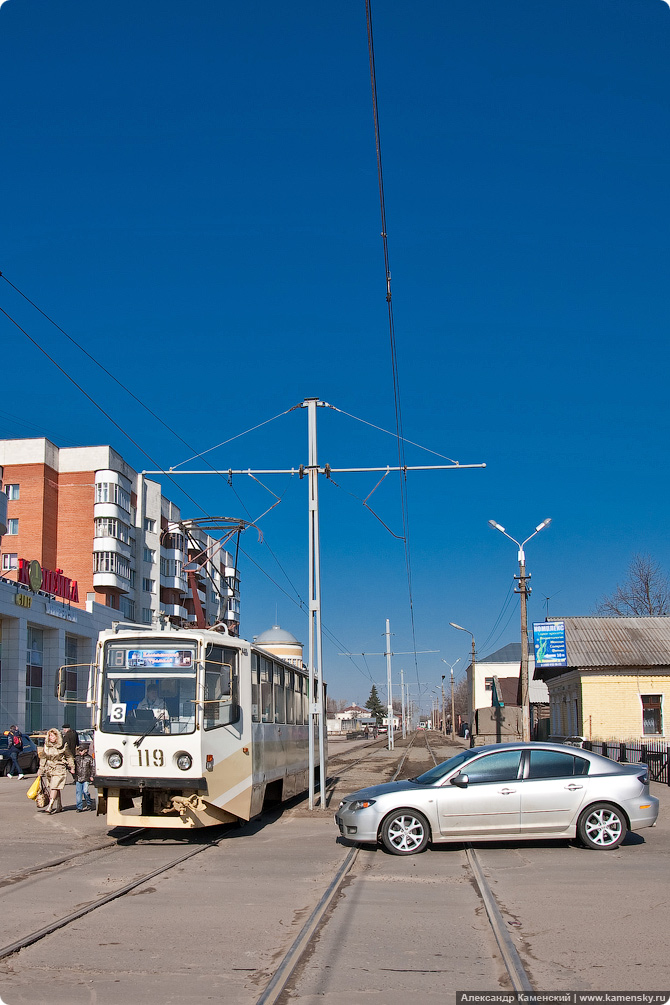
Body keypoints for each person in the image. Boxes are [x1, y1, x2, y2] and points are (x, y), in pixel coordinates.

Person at [38, 728, 75, 813]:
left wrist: (72, 767)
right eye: (50, 736)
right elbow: (43, 757)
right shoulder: (46, 746)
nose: (51, 737)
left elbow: (69, 756)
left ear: (57, 736)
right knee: (55, 787)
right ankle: (59, 805)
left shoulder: (62, 746)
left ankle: (50, 806)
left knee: (54, 787)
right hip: (49, 769)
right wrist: (41, 769)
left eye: (53, 736)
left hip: (59, 768)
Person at [74, 744, 95, 812]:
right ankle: (79, 807)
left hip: (86, 777)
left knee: (85, 791)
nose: (80, 752)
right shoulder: (77, 758)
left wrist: (92, 776)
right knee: (78, 792)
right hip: (78, 777)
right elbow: (73, 766)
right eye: (79, 751)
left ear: (85, 750)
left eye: (81, 750)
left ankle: (89, 803)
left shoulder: (89, 758)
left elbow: (92, 768)